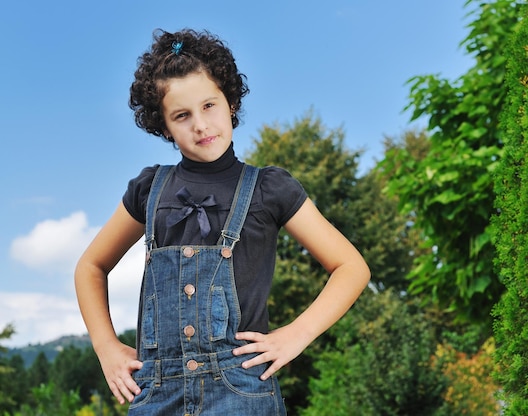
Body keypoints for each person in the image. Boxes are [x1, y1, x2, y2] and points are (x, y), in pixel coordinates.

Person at [74, 28, 370, 415]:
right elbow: (90, 266)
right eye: (182, 115)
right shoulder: (150, 189)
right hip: (156, 393)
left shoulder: (270, 189)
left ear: (230, 103)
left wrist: (296, 335)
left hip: (242, 390)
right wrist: (106, 346)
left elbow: (351, 267)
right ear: (164, 126)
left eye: (209, 105)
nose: (200, 124)